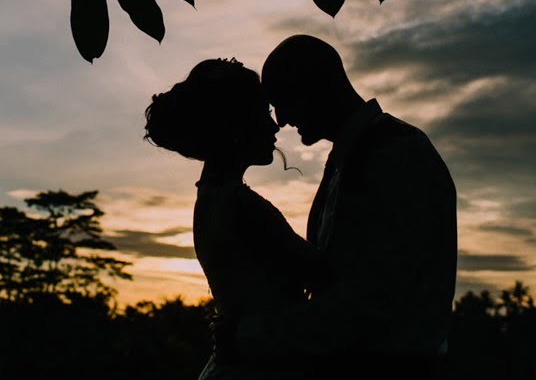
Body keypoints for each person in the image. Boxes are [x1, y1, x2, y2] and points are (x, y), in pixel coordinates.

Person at [225, 34, 458, 374]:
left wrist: (256, 334)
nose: (282, 120)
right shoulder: (353, 156)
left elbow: (376, 297)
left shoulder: (397, 155)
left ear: (315, 86)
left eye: (283, 100)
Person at [145, 58, 324, 379]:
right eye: (263, 113)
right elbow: (327, 277)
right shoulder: (242, 206)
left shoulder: (212, 199)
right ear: (234, 127)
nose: (275, 126)